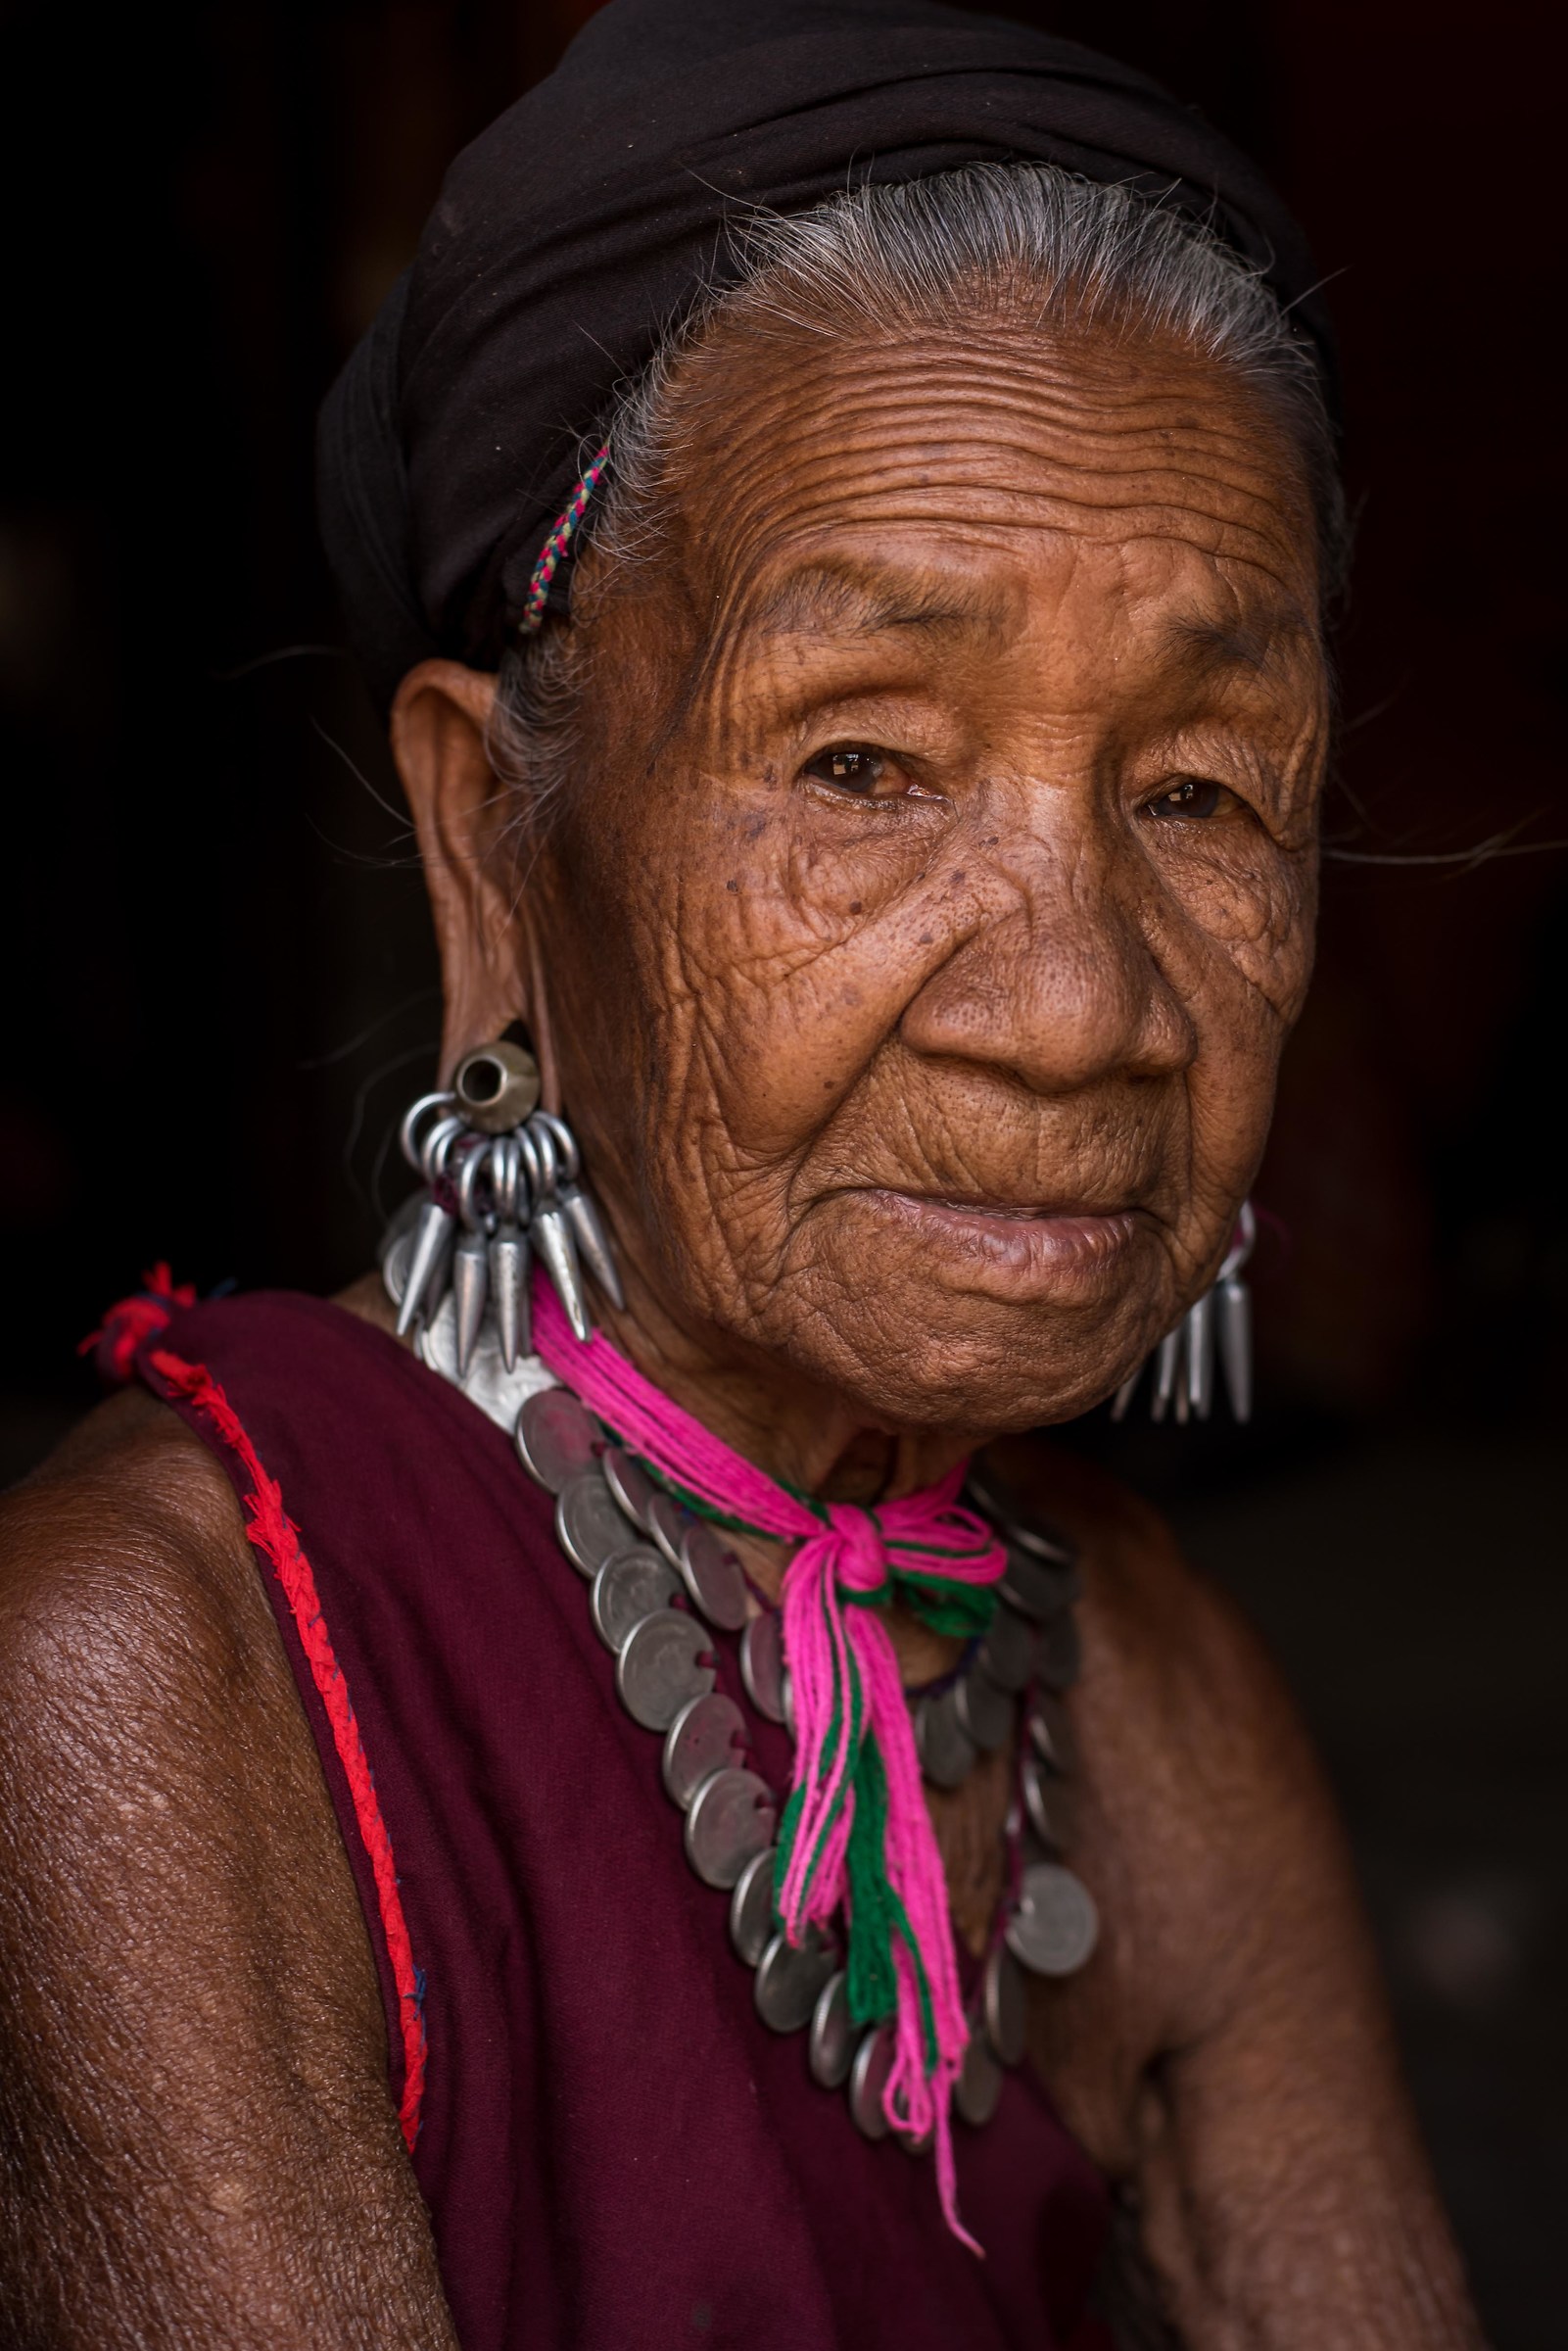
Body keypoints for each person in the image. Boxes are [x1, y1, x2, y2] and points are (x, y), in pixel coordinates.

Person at [0, 3, 1487, 2345]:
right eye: (866, 762)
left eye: (1202, 790)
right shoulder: (146, 1685)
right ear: (498, 846)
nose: (1085, 1003)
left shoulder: (1155, 1703)